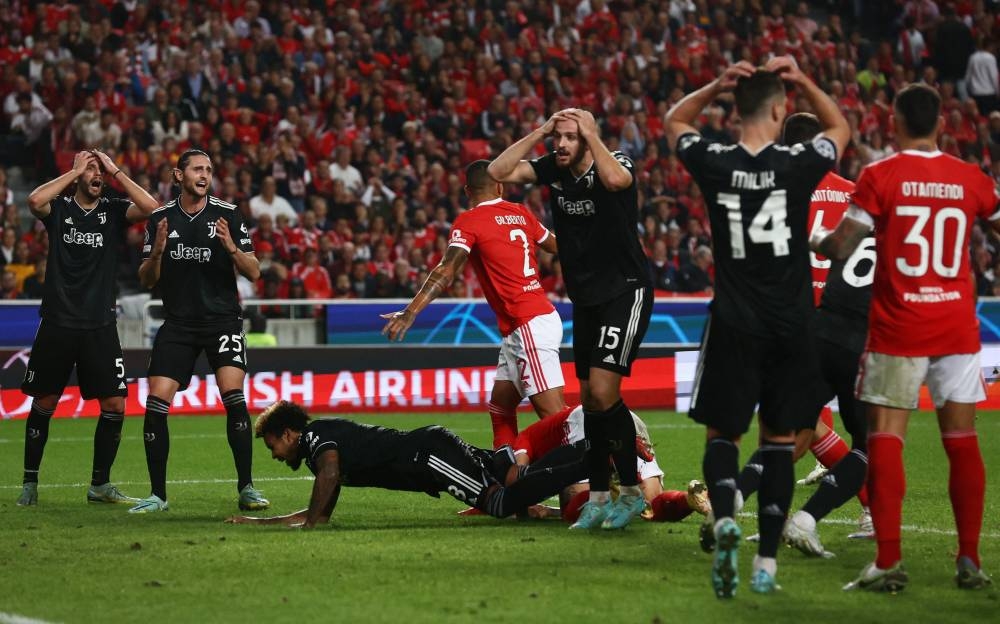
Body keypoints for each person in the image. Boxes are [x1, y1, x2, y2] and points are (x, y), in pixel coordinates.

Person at [664, 57, 849, 596]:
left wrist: (714, 86)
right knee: (778, 443)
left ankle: (724, 518)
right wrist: (805, 80)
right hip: (792, 324)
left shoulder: (715, 161)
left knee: (723, 434)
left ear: (735, 108)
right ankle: (766, 561)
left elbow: (676, 122)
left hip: (734, 322)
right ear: (779, 108)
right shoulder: (797, 165)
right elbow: (839, 128)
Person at [813, 83, 996, 592]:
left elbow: (843, 246)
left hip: (899, 327)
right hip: (956, 327)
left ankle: (888, 561)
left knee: (885, 437)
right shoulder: (970, 179)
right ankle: (970, 559)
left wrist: (816, 240)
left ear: (894, 123)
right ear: (942, 123)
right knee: (961, 441)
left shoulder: (879, 176)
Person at [488, 108, 653, 531]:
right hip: (587, 300)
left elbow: (618, 181)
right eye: (556, 137)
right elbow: (498, 170)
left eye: (567, 138)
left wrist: (592, 136)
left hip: (625, 290)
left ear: (587, 138)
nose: (559, 145)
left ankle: (632, 490)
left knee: (601, 393)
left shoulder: (614, 162)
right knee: (591, 404)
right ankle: (599, 496)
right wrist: (540, 130)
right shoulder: (552, 168)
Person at [734, 113, 872, 551]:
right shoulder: (853, 195)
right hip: (842, 322)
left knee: (786, 432)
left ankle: (755, 505)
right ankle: (863, 511)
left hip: (789, 323)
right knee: (830, 433)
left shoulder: (776, 192)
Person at [382, 160, 565, 449]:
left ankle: (596, 480)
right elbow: (556, 245)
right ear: (500, 186)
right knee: (501, 407)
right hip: (531, 320)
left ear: (467, 190)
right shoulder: (521, 213)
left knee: (555, 417)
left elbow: (445, 270)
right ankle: (508, 484)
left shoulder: (470, 221)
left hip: (528, 323)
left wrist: (410, 312)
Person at [16, 149, 158, 506]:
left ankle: (99, 485)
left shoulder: (111, 211)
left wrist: (116, 171)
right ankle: (30, 483)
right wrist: (74, 170)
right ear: (78, 175)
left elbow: (152, 207)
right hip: (58, 322)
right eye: (90, 170)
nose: (96, 175)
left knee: (115, 403)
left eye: (99, 171)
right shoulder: (60, 209)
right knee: (45, 400)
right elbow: (34, 200)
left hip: (99, 324)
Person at [130, 149, 268, 514]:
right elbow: (146, 280)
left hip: (221, 320)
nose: (204, 175)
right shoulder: (159, 219)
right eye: (197, 169)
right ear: (179, 175)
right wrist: (157, 252)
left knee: (233, 397)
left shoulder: (227, 214)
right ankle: (158, 495)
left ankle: (247, 488)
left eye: (208, 169)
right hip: (178, 324)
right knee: (155, 403)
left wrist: (231, 248)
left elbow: (254, 272)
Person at [223, 400, 590, 527]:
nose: (274, 454)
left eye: (273, 445)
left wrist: (306, 532)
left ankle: (586, 460)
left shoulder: (317, 437)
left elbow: (330, 477)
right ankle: (588, 452)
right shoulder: (317, 456)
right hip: (431, 448)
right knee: (511, 477)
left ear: (288, 434)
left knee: (498, 502)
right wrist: (262, 522)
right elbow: (318, 513)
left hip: (430, 456)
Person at [511, 405, 711, 524]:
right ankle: (688, 499)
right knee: (650, 500)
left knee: (573, 504)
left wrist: (525, 505)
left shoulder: (524, 442)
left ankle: (611, 482)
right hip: (626, 417)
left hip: (583, 425)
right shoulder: (543, 440)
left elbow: (518, 478)